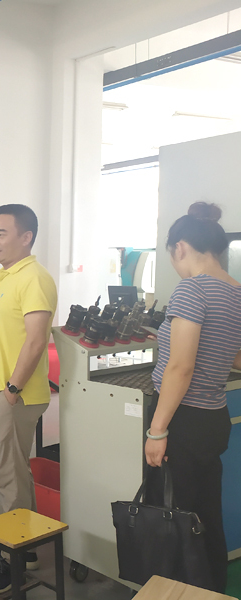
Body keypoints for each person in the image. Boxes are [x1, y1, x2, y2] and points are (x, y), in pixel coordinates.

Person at [145, 202, 241, 593]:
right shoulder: (236, 291)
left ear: (180, 247)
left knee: (173, 517)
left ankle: (176, 590)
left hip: (180, 419)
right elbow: (234, 355)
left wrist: (157, 429)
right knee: (205, 514)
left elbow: (180, 368)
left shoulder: (192, 288)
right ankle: (211, 589)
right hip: (213, 418)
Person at [0, 205, 57, 594]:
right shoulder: (7, 277)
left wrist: (12, 388)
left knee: (10, 477)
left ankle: (18, 559)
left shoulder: (34, 278)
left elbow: (37, 339)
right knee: (14, 472)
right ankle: (23, 540)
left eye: (2, 233)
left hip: (14, 395)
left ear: (26, 237)